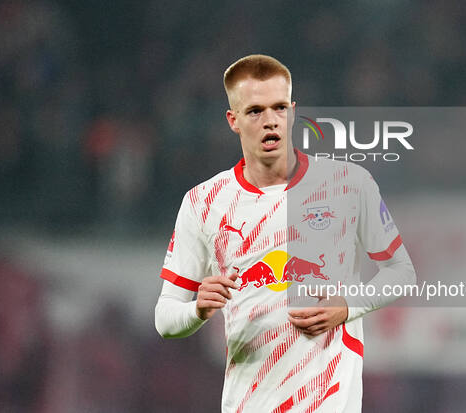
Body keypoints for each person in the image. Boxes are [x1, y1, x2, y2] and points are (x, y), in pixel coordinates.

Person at [155, 54, 416, 412]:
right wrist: (197, 310)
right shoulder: (204, 202)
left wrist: (348, 307)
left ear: (293, 112)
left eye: (279, 108)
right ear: (233, 120)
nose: (270, 122)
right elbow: (165, 318)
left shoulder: (348, 184)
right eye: (255, 111)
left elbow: (402, 273)